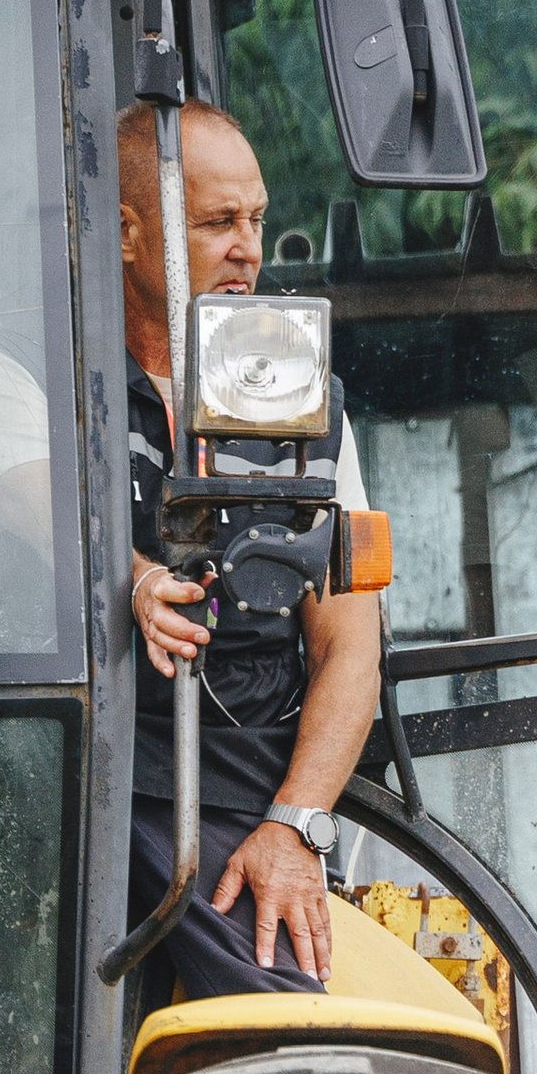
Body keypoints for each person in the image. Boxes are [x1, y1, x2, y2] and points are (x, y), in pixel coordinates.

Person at [122, 98, 382, 994]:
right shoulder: (41, 375)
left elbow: (350, 646)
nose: (248, 249)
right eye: (217, 223)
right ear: (128, 234)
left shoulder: (303, 399)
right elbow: (31, 514)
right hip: (89, 772)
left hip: (244, 796)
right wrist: (133, 579)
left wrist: (296, 826)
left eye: (257, 221)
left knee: (294, 1029)